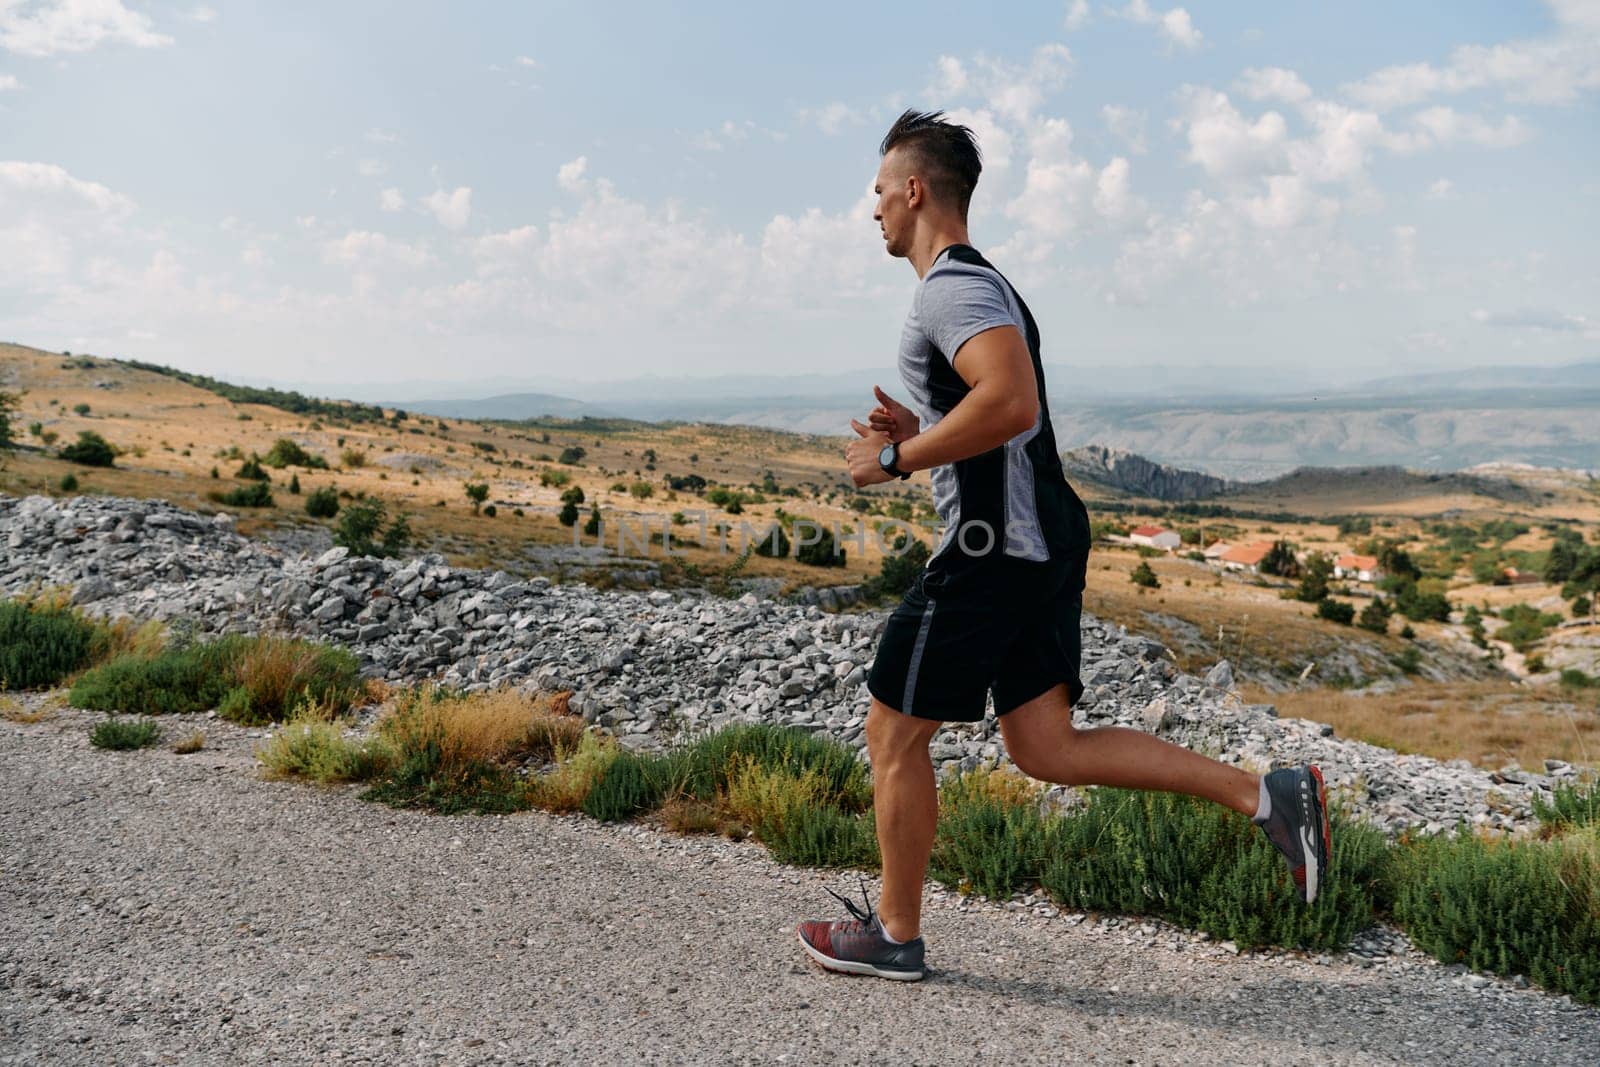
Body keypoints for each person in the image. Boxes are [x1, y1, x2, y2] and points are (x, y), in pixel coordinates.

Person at [796, 110, 1330, 982]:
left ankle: (894, 934)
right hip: (1039, 538)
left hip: (990, 549)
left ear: (916, 189)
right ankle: (1264, 795)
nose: (874, 209)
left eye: (880, 190)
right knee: (1045, 746)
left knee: (892, 731)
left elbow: (1011, 403)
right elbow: (991, 409)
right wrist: (926, 420)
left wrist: (896, 456)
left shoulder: (949, 288)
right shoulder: (981, 283)